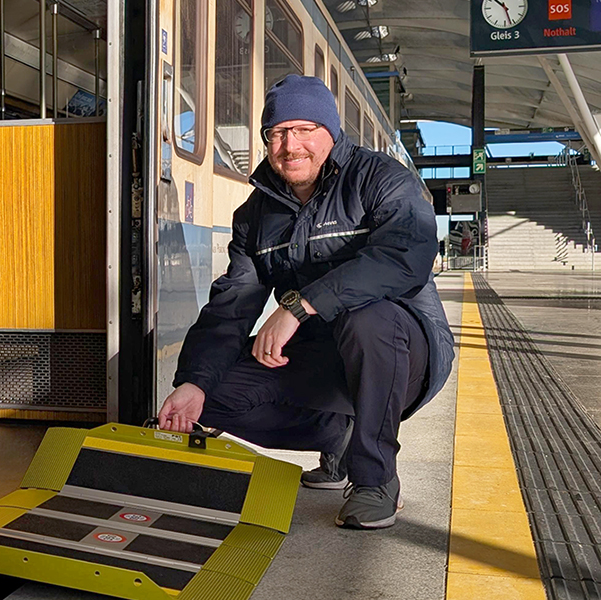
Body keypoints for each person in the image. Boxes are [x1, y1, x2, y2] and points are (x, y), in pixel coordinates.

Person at [156, 75, 454, 530]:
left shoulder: (381, 179)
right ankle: (339, 433)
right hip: (317, 356)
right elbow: (230, 307)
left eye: (304, 129)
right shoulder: (255, 215)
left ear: (330, 133)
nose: (290, 144)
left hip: (401, 348)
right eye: (277, 133)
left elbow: (402, 258)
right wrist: (193, 381)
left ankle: (374, 479)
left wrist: (299, 306)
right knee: (209, 399)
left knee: (368, 320)